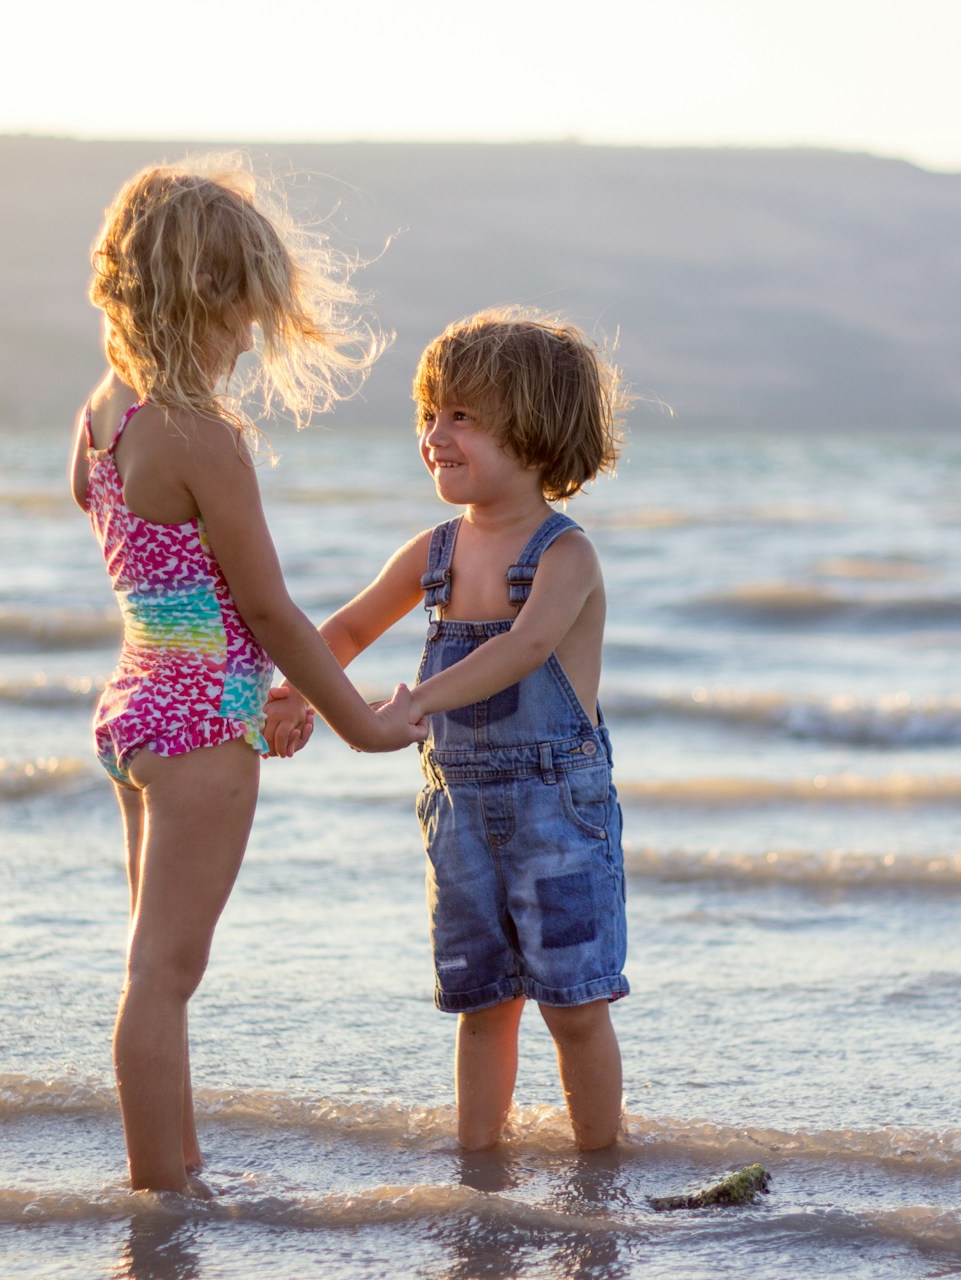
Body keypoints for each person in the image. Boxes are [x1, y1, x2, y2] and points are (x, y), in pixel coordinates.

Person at [68, 158, 425, 1195]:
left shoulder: (106, 414)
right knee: (164, 978)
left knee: (155, 971)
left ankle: (174, 1168)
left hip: (135, 711)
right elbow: (267, 608)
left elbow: (112, 530)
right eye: (244, 317)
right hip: (197, 740)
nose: (249, 341)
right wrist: (358, 719)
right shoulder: (203, 438)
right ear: (207, 302)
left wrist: (219, 671)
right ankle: (163, 1197)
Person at [298, 308, 631, 1151]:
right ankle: (479, 1166)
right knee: (481, 1004)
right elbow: (342, 633)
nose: (435, 435)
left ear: (536, 432)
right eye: (429, 415)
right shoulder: (434, 551)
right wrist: (299, 692)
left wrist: (415, 705)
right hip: (460, 818)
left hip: (559, 814)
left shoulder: (566, 555)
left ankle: (601, 1163)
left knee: (575, 1008)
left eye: (463, 417)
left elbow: (524, 650)